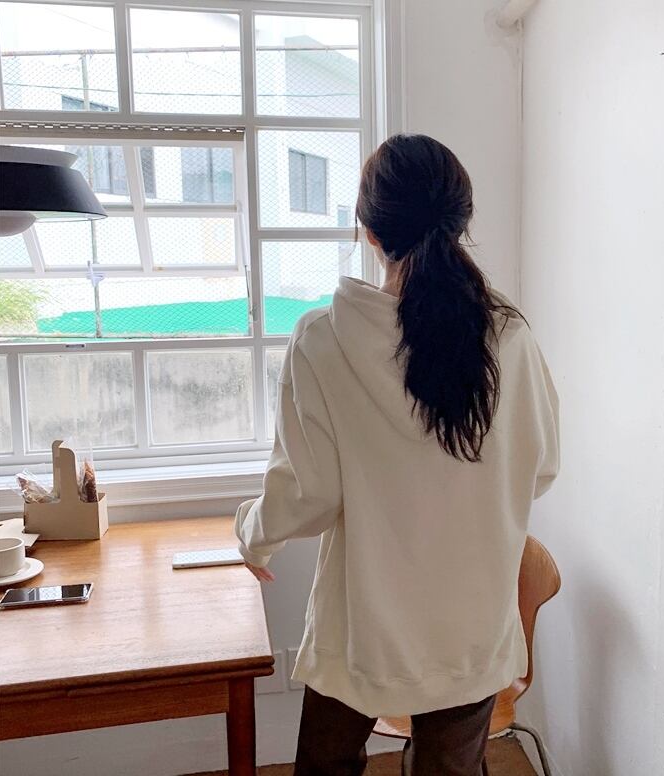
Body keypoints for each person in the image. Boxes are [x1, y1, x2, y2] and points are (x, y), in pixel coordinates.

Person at [235, 133, 560, 776]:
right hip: (470, 625)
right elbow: (541, 466)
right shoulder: (510, 335)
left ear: (369, 230)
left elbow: (309, 494)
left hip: (363, 625)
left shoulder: (324, 338)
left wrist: (253, 535)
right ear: (461, 222)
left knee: (327, 766)